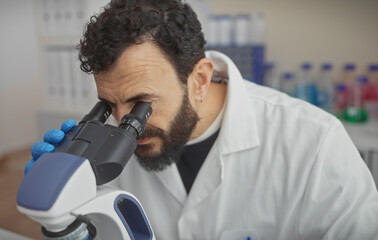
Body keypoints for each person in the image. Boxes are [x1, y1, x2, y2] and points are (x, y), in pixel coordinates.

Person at [26, 0, 378, 239]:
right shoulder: (110, 150)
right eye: (109, 105)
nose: (123, 125)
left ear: (199, 80)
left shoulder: (315, 143)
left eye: (140, 103)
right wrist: (63, 214)